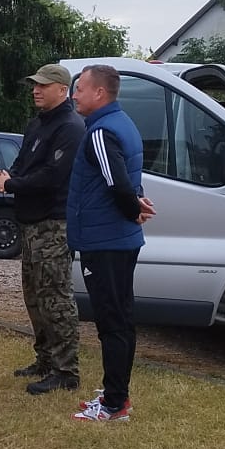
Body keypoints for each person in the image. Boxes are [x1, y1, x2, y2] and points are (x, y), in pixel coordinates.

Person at [65, 64, 155, 424]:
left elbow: (117, 182)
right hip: (115, 238)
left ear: (99, 93)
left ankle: (114, 404)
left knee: (112, 321)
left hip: (105, 241)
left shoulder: (101, 132)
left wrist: (132, 208)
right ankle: (116, 394)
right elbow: (127, 178)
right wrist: (136, 202)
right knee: (120, 318)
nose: (74, 95)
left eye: (80, 89)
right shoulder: (123, 123)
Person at [0, 63, 86, 396]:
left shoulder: (71, 127)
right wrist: (7, 176)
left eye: (43, 85)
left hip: (53, 224)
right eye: (34, 84)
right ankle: (45, 359)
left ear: (62, 90)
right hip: (31, 223)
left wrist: (12, 184)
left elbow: (52, 176)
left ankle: (66, 370)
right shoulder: (38, 124)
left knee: (56, 298)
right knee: (35, 297)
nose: (36, 90)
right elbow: (23, 164)